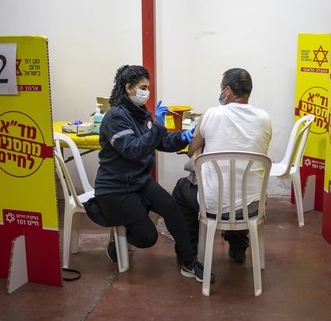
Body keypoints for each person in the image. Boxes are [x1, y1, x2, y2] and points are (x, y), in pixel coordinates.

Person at [92, 64, 211, 283]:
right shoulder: (115, 118)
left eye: (148, 86)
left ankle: (189, 262)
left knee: (173, 209)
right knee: (147, 238)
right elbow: (134, 150)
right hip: (116, 188)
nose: (147, 91)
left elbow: (162, 141)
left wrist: (184, 136)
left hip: (139, 181)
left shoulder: (141, 114)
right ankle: (117, 237)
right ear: (129, 88)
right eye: (143, 87)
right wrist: (156, 126)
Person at [173, 68, 272, 262]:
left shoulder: (210, 115)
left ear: (227, 91)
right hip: (253, 205)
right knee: (238, 184)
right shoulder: (264, 119)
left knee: (182, 190)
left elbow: (191, 150)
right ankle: (238, 245)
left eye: (221, 88)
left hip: (213, 206)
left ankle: (190, 253)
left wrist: (201, 148)